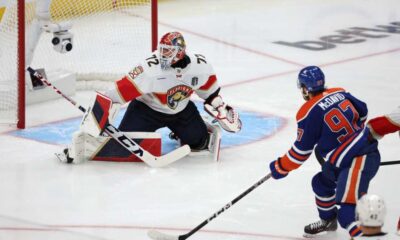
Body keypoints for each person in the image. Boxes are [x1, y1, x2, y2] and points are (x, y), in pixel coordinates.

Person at [60, 31, 242, 163]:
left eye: (168, 51)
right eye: (162, 49)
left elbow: (210, 92)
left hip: (181, 110)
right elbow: (116, 94)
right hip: (146, 110)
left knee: (199, 142)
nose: (162, 54)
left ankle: (181, 130)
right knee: (128, 146)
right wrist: (94, 123)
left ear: (180, 52)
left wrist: (219, 107)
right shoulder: (148, 70)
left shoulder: (200, 65)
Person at [269, 66, 380, 238]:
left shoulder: (307, 112)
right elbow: (363, 111)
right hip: (347, 156)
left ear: (305, 89)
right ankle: (328, 220)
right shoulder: (340, 92)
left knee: (347, 215)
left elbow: (300, 153)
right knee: (321, 184)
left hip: (356, 161)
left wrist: (280, 166)